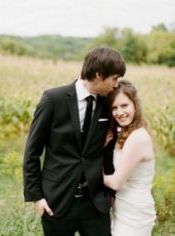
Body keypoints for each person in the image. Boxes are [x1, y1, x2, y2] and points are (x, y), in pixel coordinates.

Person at [23, 47, 126, 236]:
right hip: (57, 201)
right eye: (114, 78)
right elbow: (32, 151)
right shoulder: (53, 99)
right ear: (98, 75)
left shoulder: (109, 104)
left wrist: (109, 196)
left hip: (95, 204)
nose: (116, 85)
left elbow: (108, 152)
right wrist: (37, 197)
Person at [104, 80, 156, 236]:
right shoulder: (124, 134)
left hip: (135, 213)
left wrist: (88, 171)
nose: (119, 112)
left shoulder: (137, 138)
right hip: (124, 209)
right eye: (114, 108)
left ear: (135, 105)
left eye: (124, 105)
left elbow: (115, 182)